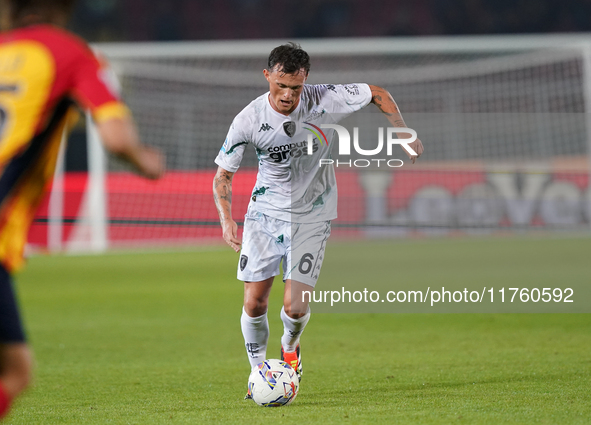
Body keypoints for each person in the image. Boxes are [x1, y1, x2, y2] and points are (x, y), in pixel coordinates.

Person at [212, 42, 423, 396]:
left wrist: (401, 130)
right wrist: (226, 221)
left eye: (295, 88)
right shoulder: (248, 119)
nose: (287, 95)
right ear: (268, 76)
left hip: (313, 214)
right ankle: (259, 372)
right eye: (280, 86)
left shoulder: (324, 98)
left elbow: (376, 93)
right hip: (264, 215)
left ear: (305, 80)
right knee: (254, 302)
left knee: (295, 307)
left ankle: (290, 349)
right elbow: (222, 176)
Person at [0, 0, 165, 418]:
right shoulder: (70, 52)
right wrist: (144, 159)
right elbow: (114, 137)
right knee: (15, 373)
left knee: (15, 368)